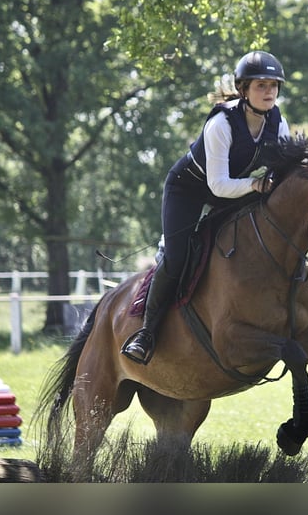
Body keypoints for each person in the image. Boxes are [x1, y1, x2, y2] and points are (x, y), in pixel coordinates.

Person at [122, 51, 291, 364]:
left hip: (233, 187)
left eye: (273, 86)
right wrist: (256, 185)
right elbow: (218, 186)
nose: (269, 92)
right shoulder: (222, 124)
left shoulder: (278, 123)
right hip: (189, 189)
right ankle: (146, 332)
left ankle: (295, 309)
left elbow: (282, 170)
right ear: (243, 90)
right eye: (261, 85)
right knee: (177, 257)